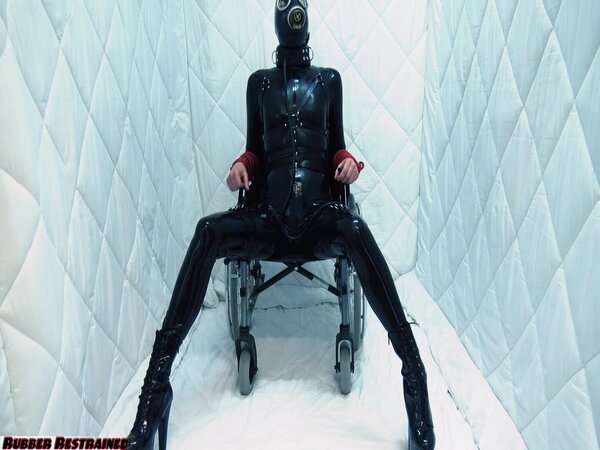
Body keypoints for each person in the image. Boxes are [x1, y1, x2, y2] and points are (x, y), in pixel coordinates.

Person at [126, 1, 435, 449]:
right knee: (208, 231)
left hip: (319, 216)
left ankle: (413, 373)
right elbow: (254, 148)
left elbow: (336, 145)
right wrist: (240, 165)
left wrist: (349, 163)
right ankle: (156, 390)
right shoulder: (260, 84)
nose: (293, 11)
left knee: (356, 230)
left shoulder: (329, 81)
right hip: (268, 218)